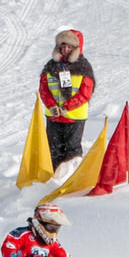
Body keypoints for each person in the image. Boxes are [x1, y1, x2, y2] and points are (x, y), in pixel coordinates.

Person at [36, 28, 95, 166]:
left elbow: (85, 93)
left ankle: (71, 180)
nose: (65, 49)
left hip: (74, 117)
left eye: (69, 46)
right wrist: (52, 105)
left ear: (76, 48)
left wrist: (67, 107)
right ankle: (54, 179)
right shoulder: (50, 67)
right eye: (63, 46)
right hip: (54, 116)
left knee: (72, 150)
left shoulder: (84, 67)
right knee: (53, 150)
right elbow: (44, 89)